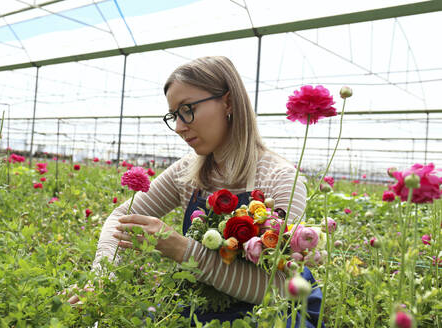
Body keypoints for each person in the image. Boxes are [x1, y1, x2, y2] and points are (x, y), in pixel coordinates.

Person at [76, 56, 322, 326]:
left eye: (187, 109)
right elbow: (121, 217)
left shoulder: (280, 179)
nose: (180, 127)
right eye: (174, 116)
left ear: (227, 101)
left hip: (266, 316)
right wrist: (100, 281)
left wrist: (184, 251)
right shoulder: (187, 171)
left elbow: (277, 288)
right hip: (198, 306)